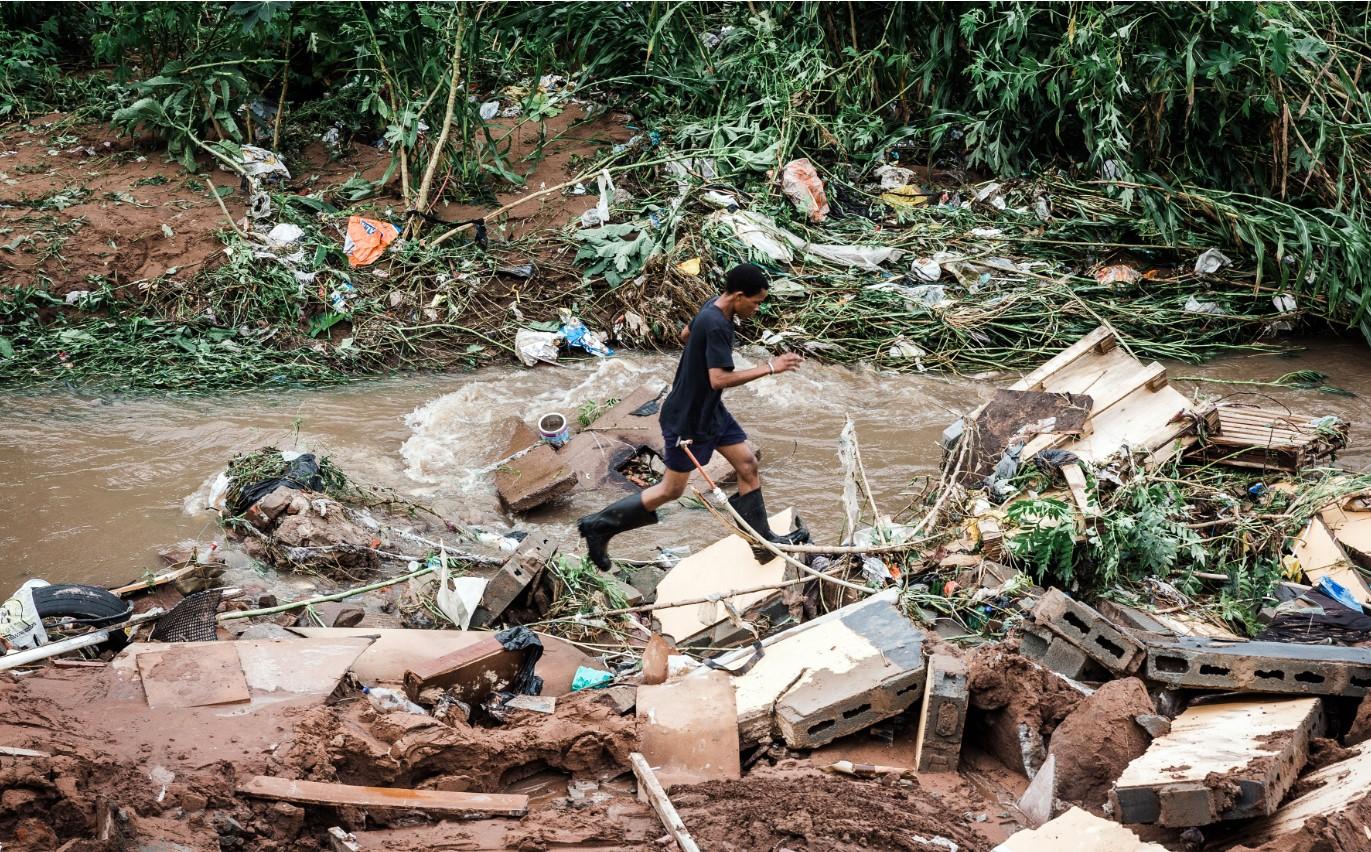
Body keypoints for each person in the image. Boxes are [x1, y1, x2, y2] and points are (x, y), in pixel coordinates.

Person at [577, 263, 809, 571]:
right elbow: (719, 379)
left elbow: (686, 334)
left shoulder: (713, 306)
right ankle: (598, 526)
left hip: (709, 411)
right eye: (755, 302)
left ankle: (762, 543)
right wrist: (770, 367)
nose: (757, 308)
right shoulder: (718, 324)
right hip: (689, 420)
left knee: (748, 464)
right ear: (739, 296)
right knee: (671, 490)